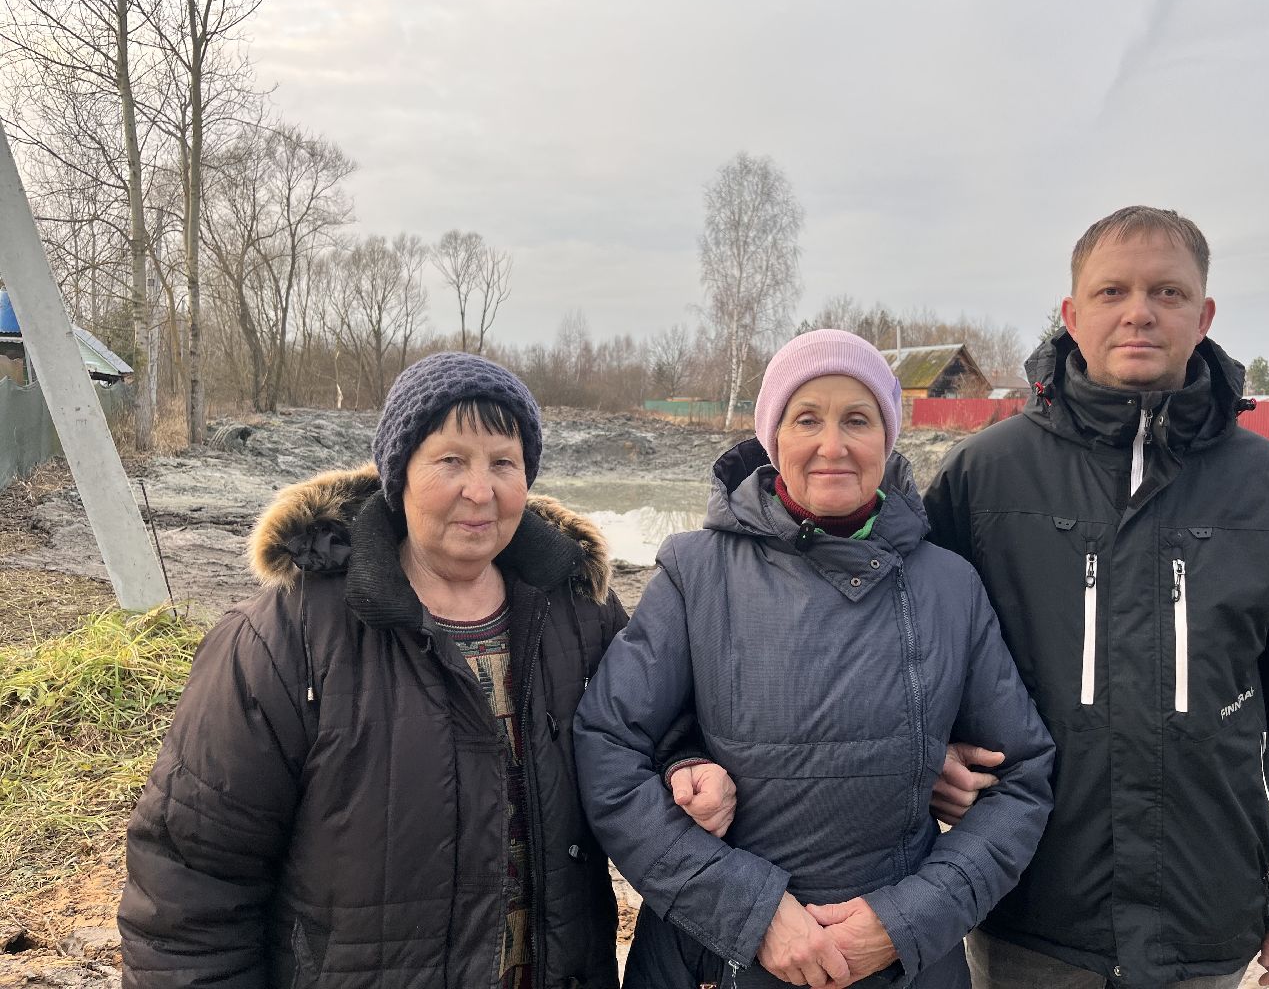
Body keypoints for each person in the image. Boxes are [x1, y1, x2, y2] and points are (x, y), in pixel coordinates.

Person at [118, 353, 736, 989]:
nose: (481, 490)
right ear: (400, 474)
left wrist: (684, 764)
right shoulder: (285, 637)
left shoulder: (581, 610)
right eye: (451, 461)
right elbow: (191, 884)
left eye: (504, 463)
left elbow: (647, 726)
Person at [924, 207, 1269, 989]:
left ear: (1204, 315)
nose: (1139, 312)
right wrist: (929, 756)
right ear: (1072, 314)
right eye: (1112, 292)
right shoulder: (983, 478)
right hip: (1028, 905)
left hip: (1205, 912)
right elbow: (907, 658)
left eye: (1168, 292)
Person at [574, 329, 1055, 988]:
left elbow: (1022, 781)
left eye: (857, 419)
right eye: (807, 419)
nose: (833, 445)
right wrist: (750, 913)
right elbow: (608, 747)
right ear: (774, 436)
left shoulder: (950, 586)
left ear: (887, 438)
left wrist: (906, 921)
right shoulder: (695, 572)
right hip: (714, 959)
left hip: (904, 967)